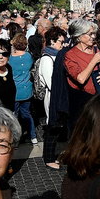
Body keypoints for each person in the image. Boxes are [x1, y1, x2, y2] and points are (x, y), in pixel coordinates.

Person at [64, 19, 100, 125]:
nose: (93, 37)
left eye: (93, 33)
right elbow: (81, 79)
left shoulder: (96, 49)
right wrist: (93, 61)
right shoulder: (70, 55)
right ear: (79, 36)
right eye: (89, 34)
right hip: (82, 102)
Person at [39, 27, 67, 169]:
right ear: (52, 41)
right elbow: (51, 83)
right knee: (53, 128)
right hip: (53, 98)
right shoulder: (46, 58)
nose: (62, 45)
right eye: (60, 42)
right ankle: (48, 158)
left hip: (60, 96)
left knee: (58, 127)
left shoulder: (57, 55)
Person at [9, 33, 37, 144]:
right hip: (27, 90)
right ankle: (33, 136)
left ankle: (15, 138)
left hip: (15, 91)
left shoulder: (10, 59)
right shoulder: (28, 56)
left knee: (14, 116)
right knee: (27, 114)